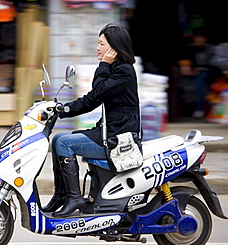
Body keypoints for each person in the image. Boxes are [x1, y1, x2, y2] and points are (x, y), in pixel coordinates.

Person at [43, 24, 140, 217]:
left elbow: (99, 91)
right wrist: (62, 110)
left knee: (63, 142)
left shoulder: (124, 71)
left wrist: (103, 64)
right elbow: (92, 100)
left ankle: (74, 198)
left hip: (118, 139)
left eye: (101, 44)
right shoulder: (116, 70)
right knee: (57, 140)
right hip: (109, 132)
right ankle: (61, 195)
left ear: (114, 48)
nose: (97, 48)